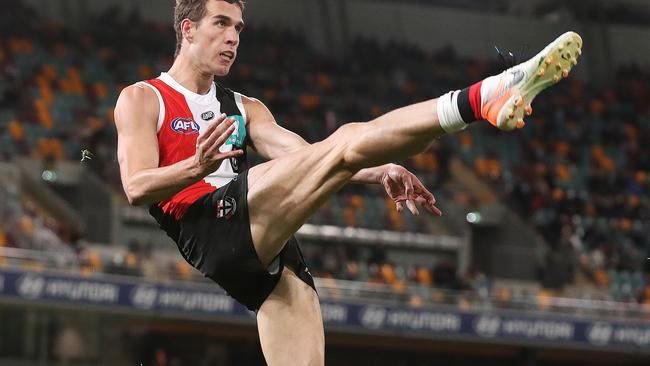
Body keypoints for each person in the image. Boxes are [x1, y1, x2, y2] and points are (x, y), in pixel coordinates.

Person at [113, 0, 582, 364]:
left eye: (238, 28)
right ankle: (480, 99)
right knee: (348, 138)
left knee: (342, 148)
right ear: (187, 29)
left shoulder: (244, 108)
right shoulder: (143, 99)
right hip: (209, 222)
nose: (233, 37)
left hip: (261, 244)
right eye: (221, 24)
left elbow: (308, 157)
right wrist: (193, 168)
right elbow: (135, 187)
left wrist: (377, 172)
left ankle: (478, 103)